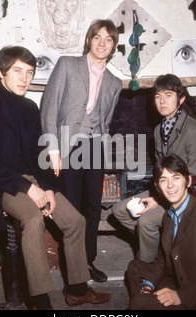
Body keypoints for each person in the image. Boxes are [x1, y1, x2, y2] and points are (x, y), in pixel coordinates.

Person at [0, 45, 111, 310]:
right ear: (1, 73)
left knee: (76, 221)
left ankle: (77, 289)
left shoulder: (30, 107)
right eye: (17, 71)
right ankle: (40, 300)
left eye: (30, 72)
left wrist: (49, 188)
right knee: (32, 220)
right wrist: (27, 188)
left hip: (32, 179)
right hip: (0, 184)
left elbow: (38, 152)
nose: (24, 78)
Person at [41, 19, 123, 282]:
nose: (102, 43)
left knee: (92, 208)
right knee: (72, 208)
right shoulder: (67, 64)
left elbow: (106, 121)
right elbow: (49, 108)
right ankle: (71, 269)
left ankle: (87, 262)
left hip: (94, 147)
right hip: (67, 145)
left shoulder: (115, 82)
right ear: (89, 40)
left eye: (108, 39)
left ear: (114, 46)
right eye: (97, 37)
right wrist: (53, 149)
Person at [112, 73, 196, 263]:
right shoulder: (159, 129)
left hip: (193, 196)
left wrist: (158, 201)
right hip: (169, 190)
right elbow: (161, 171)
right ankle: (164, 249)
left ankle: (149, 270)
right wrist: (157, 195)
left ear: (181, 99)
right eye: (158, 96)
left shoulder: (194, 131)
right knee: (119, 210)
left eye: (168, 95)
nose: (162, 101)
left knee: (146, 222)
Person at [126, 154, 196, 310]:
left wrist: (180, 296)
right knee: (134, 268)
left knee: (137, 303)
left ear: (188, 181)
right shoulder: (168, 216)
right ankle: (147, 295)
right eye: (164, 180)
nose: (170, 185)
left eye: (176, 177)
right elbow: (165, 258)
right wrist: (148, 284)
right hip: (179, 277)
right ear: (157, 186)